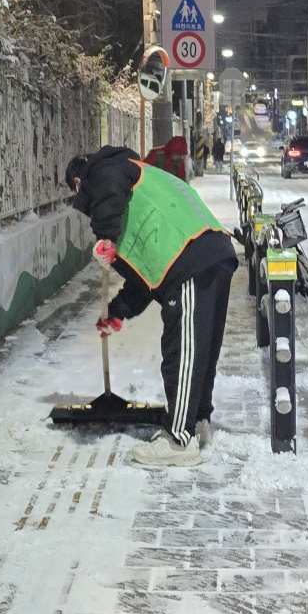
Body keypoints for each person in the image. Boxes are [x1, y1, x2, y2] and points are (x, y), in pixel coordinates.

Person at [65, 146, 236, 468]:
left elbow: (106, 189)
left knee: (181, 354)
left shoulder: (106, 170)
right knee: (198, 353)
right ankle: (196, 421)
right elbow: (146, 277)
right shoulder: (138, 181)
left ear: (79, 182)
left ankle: (178, 440)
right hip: (208, 254)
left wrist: (105, 237)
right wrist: (118, 311)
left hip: (188, 259)